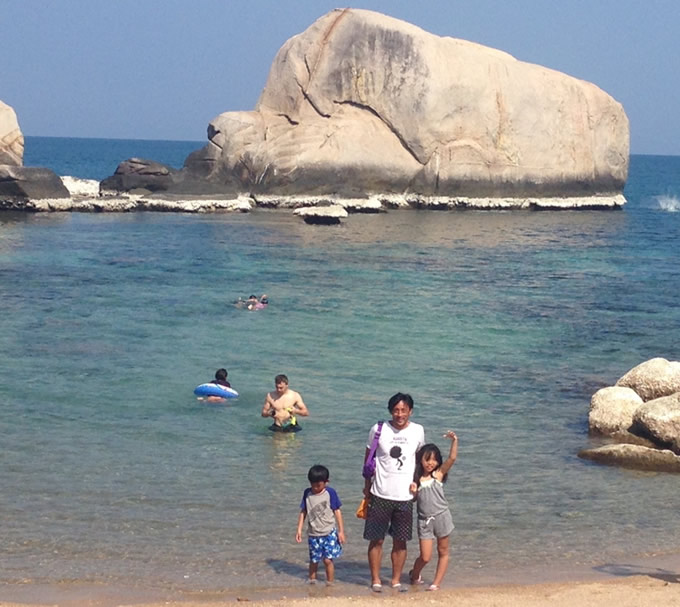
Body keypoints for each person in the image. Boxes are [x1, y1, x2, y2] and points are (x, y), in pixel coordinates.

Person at [363, 393, 425, 592]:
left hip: (405, 497)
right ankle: (375, 579)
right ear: (391, 411)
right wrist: (367, 486)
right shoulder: (378, 429)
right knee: (376, 539)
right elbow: (368, 458)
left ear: (410, 411)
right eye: (396, 410)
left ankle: (396, 580)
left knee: (401, 541)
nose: (400, 414)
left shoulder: (418, 431)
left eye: (403, 410)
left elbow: (420, 461)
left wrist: (417, 483)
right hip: (380, 493)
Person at [408, 431, 458, 591]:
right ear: (420, 460)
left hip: (442, 516)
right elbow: (414, 500)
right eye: (427, 459)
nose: (431, 463)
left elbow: (452, 459)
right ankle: (414, 574)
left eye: (434, 460)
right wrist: (414, 492)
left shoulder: (438, 475)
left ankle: (436, 583)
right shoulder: (416, 479)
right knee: (425, 556)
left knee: (443, 550)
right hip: (424, 520)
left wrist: (454, 440)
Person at [295, 464, 345, 585]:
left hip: (329, 532)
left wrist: (341, 531)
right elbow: (303, 512)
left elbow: (337, 511)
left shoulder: (330, 493)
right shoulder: (307, 493)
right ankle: (312, 581)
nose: (315, 488)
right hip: (313, 534)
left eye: (318, 485)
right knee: (314, 560)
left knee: (328, 560)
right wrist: (299, 529)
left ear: (326, 482)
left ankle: (330, 583)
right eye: (313, 485)